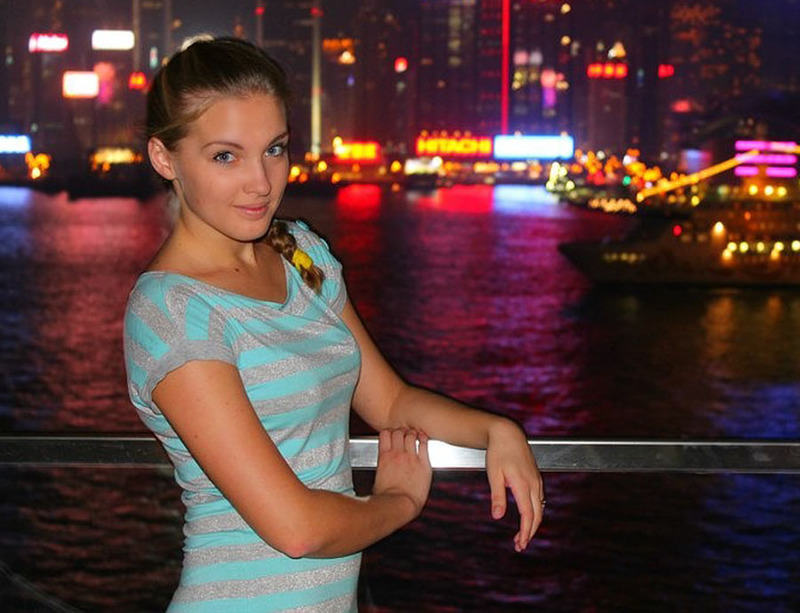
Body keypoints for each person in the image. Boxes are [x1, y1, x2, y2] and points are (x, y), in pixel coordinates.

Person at [123, 36, 544, 612]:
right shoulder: (171, 311)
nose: (261, 182)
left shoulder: (301, 254)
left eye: (274, 149)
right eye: (225, 156)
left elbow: (390, 402)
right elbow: (296, 530)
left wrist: (497, 431)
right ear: (164, 158)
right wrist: (398, 502)